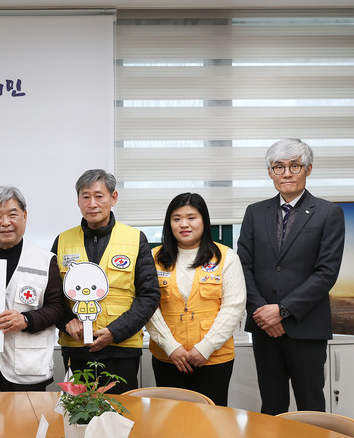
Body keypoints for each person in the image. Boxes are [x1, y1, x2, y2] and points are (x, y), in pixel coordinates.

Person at [237, 138, 345, 415]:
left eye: (294, 166)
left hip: (306, 327)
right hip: (264, 328)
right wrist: (263, 313)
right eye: (279, 167)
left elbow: (326, 273)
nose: (286, 173)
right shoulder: (255, 212)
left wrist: (282, 311)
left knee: (311, 406)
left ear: (308, 169)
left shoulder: (329, 213)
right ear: (270, 172)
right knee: (271, 405)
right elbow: (243, 267)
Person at [53, 169, 160, 393]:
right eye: (85, 196)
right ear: (78, 201)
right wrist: (66, 321)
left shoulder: (135, 239)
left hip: (121, 348)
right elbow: (51, 296)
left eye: (99, 196)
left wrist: (115, 331)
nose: (92, 204)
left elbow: (149, 296)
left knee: (119, 411)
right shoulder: (63, 240)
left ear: (114, 198)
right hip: (77, 348)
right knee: (77, 410)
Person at [0, 186, 67, 391]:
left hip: (28, 369)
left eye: (12, 214)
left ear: (25, 216)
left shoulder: (45, 260)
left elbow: (57, 307)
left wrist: (26, 320)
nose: (5, 222)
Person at [145, 193, 246, 406]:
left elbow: (234, 307)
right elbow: (148, 306)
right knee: (171, 419)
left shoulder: (226, 256)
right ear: (169, 223)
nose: (184, 224)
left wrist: (205, 348)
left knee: (211, 419)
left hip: (214, 358)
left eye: (191, 217)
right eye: (177, 218)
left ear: (203, 221)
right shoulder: (153, 258)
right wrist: (171, 347)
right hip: (168, 357)